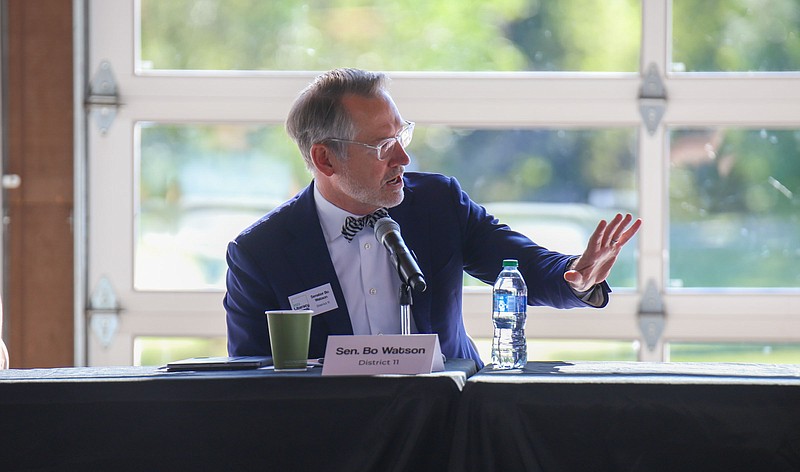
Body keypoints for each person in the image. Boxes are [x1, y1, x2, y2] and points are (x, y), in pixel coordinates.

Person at [224, 68, 641, 368]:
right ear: (325, 158)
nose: (403, 159)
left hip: (452, 426)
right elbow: (251, 382)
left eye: (402, 136)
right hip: (336, 449)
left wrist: (577, 276)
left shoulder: (437, 204)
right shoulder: (261, 253)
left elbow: (524, 264)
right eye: (384, 146)